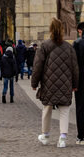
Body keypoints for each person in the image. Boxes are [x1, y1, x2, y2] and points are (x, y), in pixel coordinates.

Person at [31, 17, 78, 148]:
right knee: (64, 110)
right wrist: (75, 84)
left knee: (47, 108)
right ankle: (62, 138)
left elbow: (38, 66)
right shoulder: (69, 47)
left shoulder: (44, 46)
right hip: (65, 83)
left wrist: (34, 83)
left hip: (48, 83)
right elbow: (75, 68)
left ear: (50, 29)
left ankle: (45, 135)